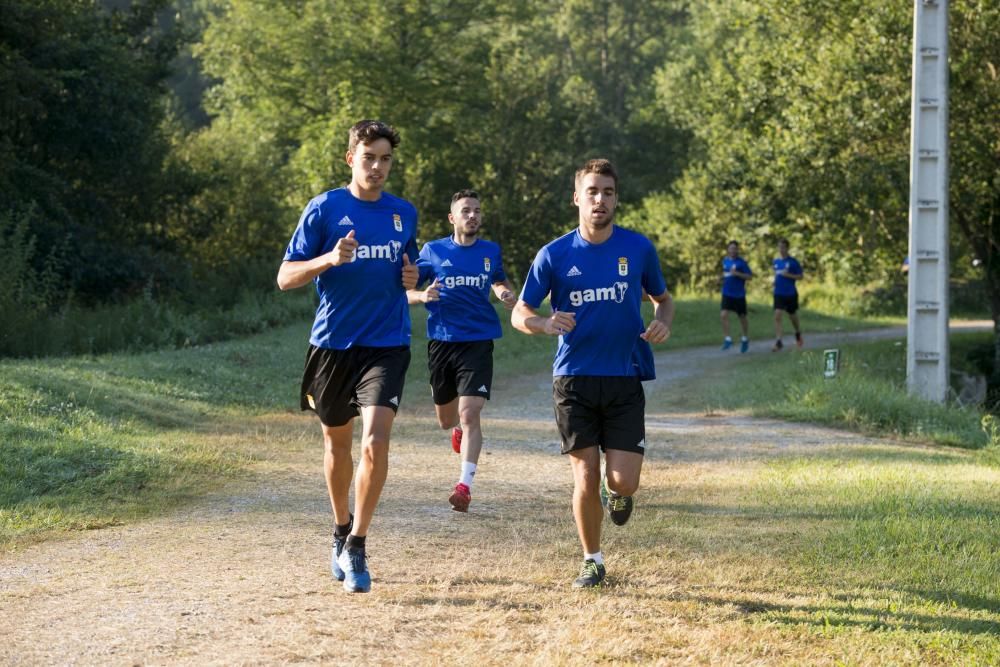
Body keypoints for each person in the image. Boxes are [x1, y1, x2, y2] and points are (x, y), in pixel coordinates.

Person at [512, 159, 674, 588]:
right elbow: (520, 312)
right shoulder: (555, 254)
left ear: (616, 199)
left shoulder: (637, 249)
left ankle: (618, 494)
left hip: (624, 377)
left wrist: (663, 321)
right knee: (584, 474)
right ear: (577, 198)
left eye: (607, 192)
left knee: (624, 480)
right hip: (574, 379)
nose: (599, 200)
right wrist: (544, 324)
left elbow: (663, 298)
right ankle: (592, 559)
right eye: (592, 192)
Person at [276, 119, 419, 594]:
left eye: (385, 159)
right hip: (333, 345)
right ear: (350, 159)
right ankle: (340, 527)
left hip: (387, 343)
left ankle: (358, 543)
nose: (377, 167)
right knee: (337, 446)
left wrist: (411, 279)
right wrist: (329, 260)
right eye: (369, 158)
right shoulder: (324, 209)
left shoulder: (404, 214)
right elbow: (285, 277)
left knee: (375, 442)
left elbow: (409, 266)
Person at [407, 189, 516, 512]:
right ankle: (455, 428)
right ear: (453, 218)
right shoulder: (433, 251)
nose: (473, 216)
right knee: (446, 419)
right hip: (442, 341)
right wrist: (422, 297)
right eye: (466, 211)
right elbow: (405, 290)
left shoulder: (490, 251)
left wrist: (504, 292)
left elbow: (497, 279)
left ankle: (464, 486)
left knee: (470, 413)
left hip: (478, 341)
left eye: (478, 211)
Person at [771, 238, 803, 351]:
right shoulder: (776, 262)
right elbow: (777, 275)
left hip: (790, 293)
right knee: (777, 315)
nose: (781, 249)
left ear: (787, 248)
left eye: (783, 247)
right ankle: (779, 341)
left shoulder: (793, 262)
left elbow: (800, 276)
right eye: (779, 247)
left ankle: (797, 332)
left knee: (792, 316)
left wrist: (788, 275)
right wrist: (774, 282)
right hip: (778, 292)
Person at [720, 240, 752, 353]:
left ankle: (744, 338)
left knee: (742, 317)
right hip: (727, 293)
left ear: (737, 250)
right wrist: (721, 279)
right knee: (723, 314)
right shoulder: (725, 261)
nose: (733, 250)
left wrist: (737, 274)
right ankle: (728, 339)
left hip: (739, 294)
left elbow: (749, 277)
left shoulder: (742, 263)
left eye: (735, 248)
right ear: (728, 250)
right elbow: (725, 275)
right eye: (731, 248)